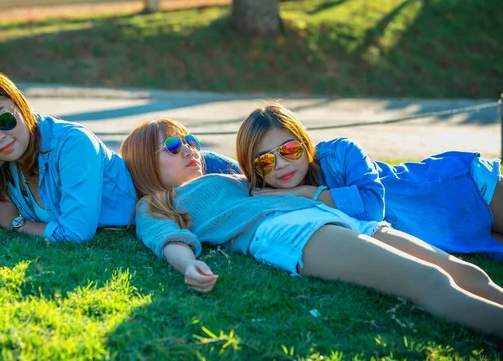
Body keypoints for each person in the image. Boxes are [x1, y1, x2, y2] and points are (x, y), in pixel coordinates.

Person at [121, 117, 503, 337]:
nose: (188, 148)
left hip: (337, 217)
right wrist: (187, 265)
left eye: (189, 140)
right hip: (287, 231)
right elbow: (167, 238)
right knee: (430, 282)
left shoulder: (228, 174)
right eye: (172, 146)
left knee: (464, 272)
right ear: (145, 165)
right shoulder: (156, 203)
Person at [0, 67, 238, 242]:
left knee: (265, 184)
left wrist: (21, 224)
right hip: (167, 199)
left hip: (175, 175)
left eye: (3, 121)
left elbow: (76, 233)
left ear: (20, 107)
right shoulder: (6, 161)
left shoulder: (72, 143)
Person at [236, 103, 503, 260]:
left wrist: (308, 192)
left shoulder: (340, 153)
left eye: (289, 150)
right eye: (265, 161)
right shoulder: (268, 198)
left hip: (461, 188)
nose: (281, 164)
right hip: (441, 230)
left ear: (305, 144)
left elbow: (374, 209)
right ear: (255, 170)